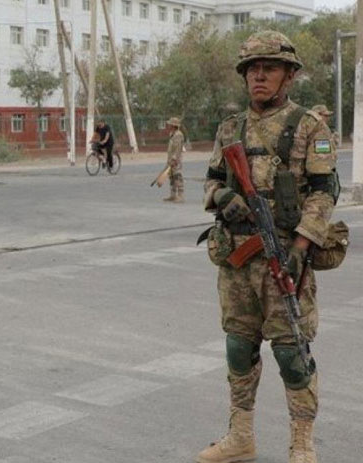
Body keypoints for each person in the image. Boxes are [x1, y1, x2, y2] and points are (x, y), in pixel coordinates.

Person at [199, 31, 337, 463]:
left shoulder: (310, 127)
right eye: (252, 69)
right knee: (238, 348)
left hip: (284, 258)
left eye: (269, 68)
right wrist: (223, 198)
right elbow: (211, 181)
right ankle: (241, 437)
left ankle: (302, 442)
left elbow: (324, 190)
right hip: (236, 262)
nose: (258, 75)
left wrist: (300, 245)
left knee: (292, 352)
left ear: (289, 76)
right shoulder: (229, 128)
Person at [163, 117, 185, 203]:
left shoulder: (178, 135)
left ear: (173, 125)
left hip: (176, 160)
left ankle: (180, 196)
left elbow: (178, 148)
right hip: (170, 159)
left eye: (170, 125)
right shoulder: (172, 134)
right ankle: (173, 195)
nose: (168, 126)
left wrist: (174, 159)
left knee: (177, 177)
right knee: (171, 177)